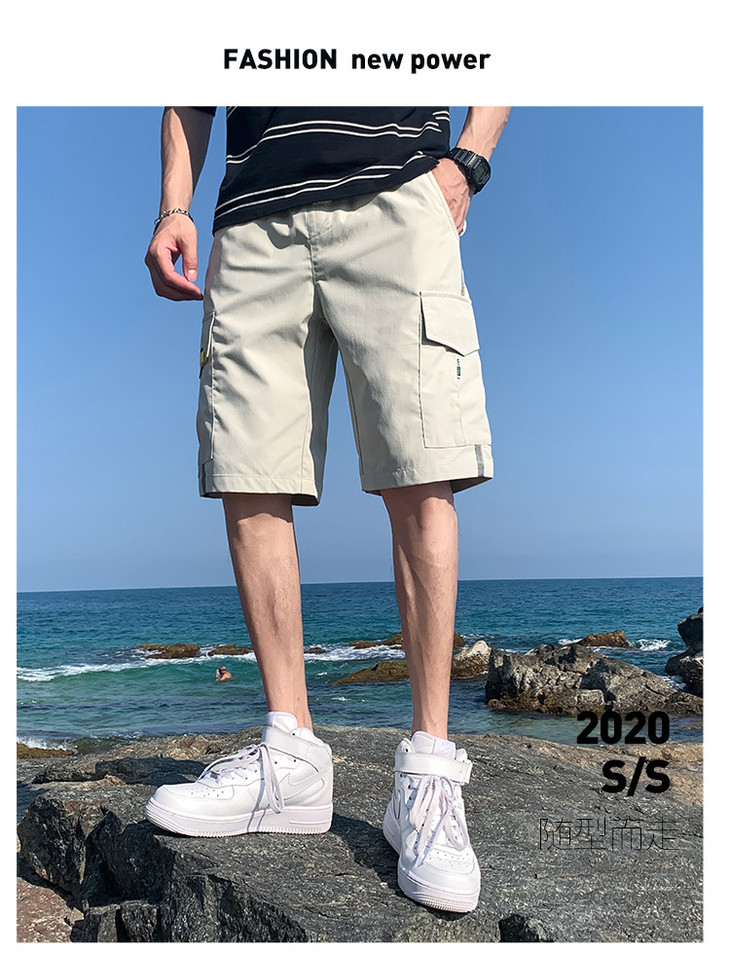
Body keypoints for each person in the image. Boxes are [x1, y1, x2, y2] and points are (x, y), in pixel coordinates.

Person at [143, 106, 510, 913]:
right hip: (251, 218)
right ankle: (292, 756)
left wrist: (468, 162)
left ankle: (428, 770)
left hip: (397, 191)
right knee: (248, 470)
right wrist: (175, 204)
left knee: (423, 468)